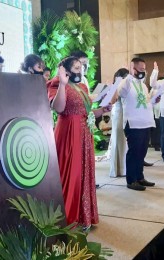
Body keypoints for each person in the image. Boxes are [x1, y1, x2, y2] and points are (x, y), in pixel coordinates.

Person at [48, 56, 111, 228]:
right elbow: (59, 108)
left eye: (81, 67)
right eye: (76, 68)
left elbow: (87, 112)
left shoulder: (82, 86)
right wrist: (62, 83)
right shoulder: (55, 84)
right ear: (66, 70)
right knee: (71, 173)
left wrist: (102, 110)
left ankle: (84, 215)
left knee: (85, 173)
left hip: (85, 134)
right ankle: (68, 216)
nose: (80, 70)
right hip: (69, 132)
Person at [117, 58, 157, 191]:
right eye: (140, 69)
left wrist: (154, 100)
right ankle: (131, 180)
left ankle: (140, 177)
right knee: (134, 152)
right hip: (133, 123)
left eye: (144, 69)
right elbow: (121, 93)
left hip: (145, 122)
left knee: (142, 152)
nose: (143, 72)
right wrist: (129, 76)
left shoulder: (143, 85)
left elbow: (146, 102)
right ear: (132, 68)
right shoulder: (126, 81)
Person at [109, 68, 129, 177]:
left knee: (124, 142)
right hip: (119, 114)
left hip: (127, 114)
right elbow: (112, 101)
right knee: (118, 140)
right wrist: (116, 85)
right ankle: (117, 169)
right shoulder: (115, 86)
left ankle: (124, 168)